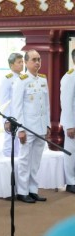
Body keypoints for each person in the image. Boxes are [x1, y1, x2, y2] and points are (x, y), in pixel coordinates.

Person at [12, 49, 51, 203]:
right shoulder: (21, 81)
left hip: (40, 127)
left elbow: (46, 105)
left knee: (36, 161)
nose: (37, 62)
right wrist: (20, 129)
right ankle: (22, 191)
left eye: (39, 59)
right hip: (27, 128)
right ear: (26, 62)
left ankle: (33, 189)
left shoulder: (42, 80)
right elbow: (17, 107)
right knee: (25, 160)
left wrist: (47, 125)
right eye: (34, 60)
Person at [0, 53, 24, 157]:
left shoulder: (24, 78)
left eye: (22, 62)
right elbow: (4, 102)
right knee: (10, 144)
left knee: (22, 144)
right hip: (11, 116)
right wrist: (7, 119)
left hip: (22, 116)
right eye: (19, 62)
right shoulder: (7, 79)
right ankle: (9, 169)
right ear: (11, 65)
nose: (22, 64)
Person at [60, 48, 75, 194]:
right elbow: (66, 102)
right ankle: (71, 182)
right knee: (71, 152)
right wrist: (70, 125)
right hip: (73, 123)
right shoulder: (70, 77)